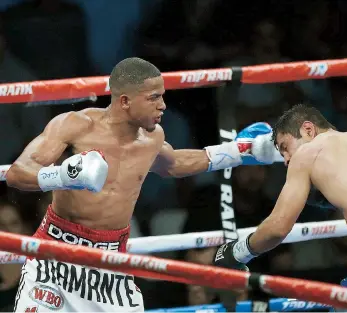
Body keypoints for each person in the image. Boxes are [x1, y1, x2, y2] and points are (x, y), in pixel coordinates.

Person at [5, 57, 281, 312]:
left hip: (111, 261)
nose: (163, 105)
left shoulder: (153, 137)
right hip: (57, 253)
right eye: (154, 98)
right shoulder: (75, 125)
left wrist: (238, 151)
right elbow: (19, 173)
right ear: (125, 101)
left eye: (162, 96)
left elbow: (175, 164)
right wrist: (63, 177)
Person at [213, 104, 347, 301]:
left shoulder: (307, 154)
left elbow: (277, 228)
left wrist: (236, 252)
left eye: (285, 147)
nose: (286, 160)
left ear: (308, 129)